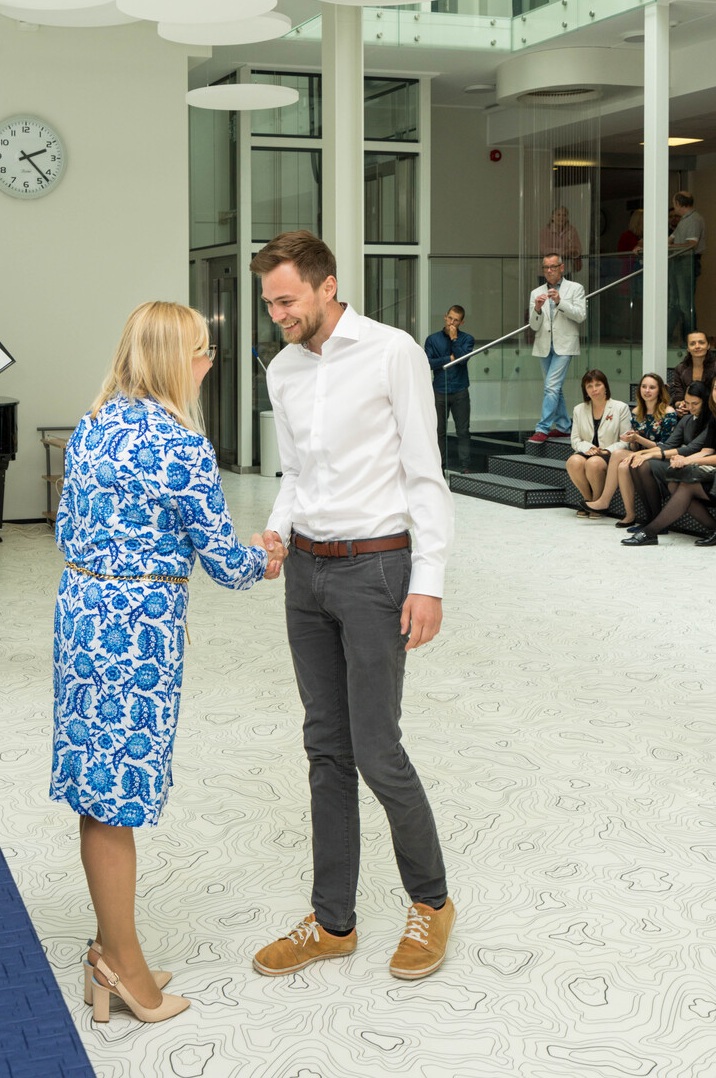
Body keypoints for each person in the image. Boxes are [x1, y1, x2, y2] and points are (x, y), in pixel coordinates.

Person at [50, 301, 285, 1024]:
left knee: (97, 790)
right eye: (202, 351)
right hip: (136, 633)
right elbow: (226, 563)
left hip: (81, 613)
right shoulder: (181, 444)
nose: (208, 364)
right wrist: (266, 556)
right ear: (175, 360)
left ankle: (109, 948)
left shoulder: (93, 424)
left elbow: (64, 525)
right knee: (115, 798)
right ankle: (122, 967)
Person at [249, 230, 455, 982]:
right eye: (269, 303)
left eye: (287, 300)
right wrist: (277, 531)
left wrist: (428, 579)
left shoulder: (392, 352)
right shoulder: (282, 369)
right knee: (325, 749)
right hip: (306, 574)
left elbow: (425, 472)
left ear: (327, 285)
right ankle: (333, 921)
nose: (278, 315)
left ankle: (431, 902)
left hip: (377, 570)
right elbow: (294, 473)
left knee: (376, 750)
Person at [622, 375, 716, 546]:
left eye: (695, 404)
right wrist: (643, 453)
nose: (689, 407)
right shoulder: (696, 419)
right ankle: (652, 524)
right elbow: (704, 450)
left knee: (682, 484)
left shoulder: (709, 419)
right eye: (687, 403)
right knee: (672, 483)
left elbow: (691, 449)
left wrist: (685, 460)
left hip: (706, 469)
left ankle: (650, 531)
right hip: (698, 464)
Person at [585, 372, 677, 527]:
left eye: (652, 387)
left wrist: (638, 439)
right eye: (644, 387)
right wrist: (632, 440)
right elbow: (635, 446)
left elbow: (666, 446)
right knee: (622, 466)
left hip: (660, 456)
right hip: (640, 454)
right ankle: (629, 515)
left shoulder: (668, 412)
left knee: (618, 454)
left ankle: (604, 501)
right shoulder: (636, 412)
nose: (647, 390)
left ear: (659, 390)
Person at [527, 254, 587, 444]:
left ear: (562, 267)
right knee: (554, 388)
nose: (549, 271)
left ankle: (542, 428)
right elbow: (534, 326)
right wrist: (537, 309)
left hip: (565, 345)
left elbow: (580, 316)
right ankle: (564, 426)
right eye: (545, 267)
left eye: (553, 267)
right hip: (544, 345)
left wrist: (560, 302)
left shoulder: (575, 288)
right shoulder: (536, 292)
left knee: (551, 386)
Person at [565, 369, 631, 517]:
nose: (594, 389)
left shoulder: (620, 408)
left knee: (593, 463)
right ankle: (588, 500)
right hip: (587, 451)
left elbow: (625, 440)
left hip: (610, 454)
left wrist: (606, 451)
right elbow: (575, 439)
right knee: (573, 462)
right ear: (585, 390)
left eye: (598, 385)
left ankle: (598, 501)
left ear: (605, 386)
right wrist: (588, 448)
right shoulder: (579, 409)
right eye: (589, 386)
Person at [424, 304, 474, 473]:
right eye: (450, 318)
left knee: (463, 431)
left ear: (462, 322)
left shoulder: (467, 339)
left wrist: (454, 339)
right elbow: (428, 363)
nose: (452, 323)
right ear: (445, 316)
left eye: (456, 320)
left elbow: (463, 360)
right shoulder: (432, 339)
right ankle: (440, 468)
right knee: (439, 432)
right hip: (439, 391)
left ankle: (465, 467)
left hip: (460, 391)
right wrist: (448, 358)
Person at [669, 192, 706, 343]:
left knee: (685, 304)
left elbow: (692, 244)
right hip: (678, 263)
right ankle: (666, 338)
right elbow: (670, 239)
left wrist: (669, 247)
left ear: (678, 204)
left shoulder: (694, 219)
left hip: (687, 262)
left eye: (674, 203)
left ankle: (690, 340)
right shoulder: (684, 220)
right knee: (674, 303)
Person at [667, 330, 716, 411]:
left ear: (708, 346)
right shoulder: (680, 369)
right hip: (689, 411)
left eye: (701, 342)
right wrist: (680, 406)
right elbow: (678, 396)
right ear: (688, 348)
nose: (697, 346)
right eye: (692, 344)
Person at [539, 206, 582, 272]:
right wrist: (563, 252)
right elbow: (544, 250)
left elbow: (578, 249)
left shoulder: (572, 230)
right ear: (552, 217)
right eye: (559, 215)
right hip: (548, 271)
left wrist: (573, 252)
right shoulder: (545, 231)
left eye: (564, 215)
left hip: (565, 270)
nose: (562, 217)